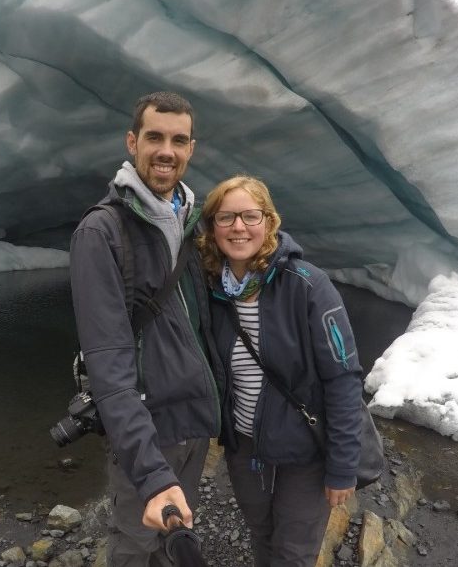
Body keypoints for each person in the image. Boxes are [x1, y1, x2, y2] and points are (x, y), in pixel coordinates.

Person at [69, 92, 220, 565]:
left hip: (195, 426)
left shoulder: (194, 223)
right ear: (132, 142)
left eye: (178, 140)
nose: (166, 151)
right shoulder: (101, 233)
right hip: (148, 429)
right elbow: (109, 365)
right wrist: (151, 471)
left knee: (170, 544)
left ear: (192, 149)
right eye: (154, 137)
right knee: (135, 543)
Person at [197, 175, 364, 567]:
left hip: (303, 448)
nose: (239, 227)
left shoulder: (307, 285)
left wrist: (342, 466)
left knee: (293, 553)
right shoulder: (212, 290)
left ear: (269, 223)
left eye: (250, 216)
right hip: (244, 446)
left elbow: (343, 378)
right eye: (227, 217)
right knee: (262, 533)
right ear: (212, 227)